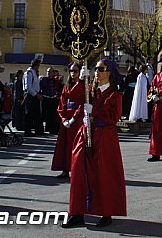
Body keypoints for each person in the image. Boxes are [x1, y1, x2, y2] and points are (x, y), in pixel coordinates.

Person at [62, 59, 126, 228]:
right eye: (95, 69)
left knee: (103, 174)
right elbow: (73, 96)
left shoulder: (114, 95)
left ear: (109, 72)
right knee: (79, 172)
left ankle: (106, 212)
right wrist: (81, 80)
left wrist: (95, 111)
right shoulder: (89, 90)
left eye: (101, 69)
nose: (97, 71)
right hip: (85, 133)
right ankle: (77, 212)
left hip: (104, 137)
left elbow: (113, 118)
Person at [51, 62, 85, 179]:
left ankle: (76, 169)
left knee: (76, 146)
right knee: (64, 145)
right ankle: (65, 169)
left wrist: (74, 118)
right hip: (67, 119)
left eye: (75, 71)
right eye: (71, 71)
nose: (73, 73)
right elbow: (62, 103)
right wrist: (64, 118)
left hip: (77, 120)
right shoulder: (66, 86)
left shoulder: (83, 85)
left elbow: (82, 103)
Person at [23, 59, 43, 136]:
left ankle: (38, 130)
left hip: (35, 95)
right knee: (30, 114)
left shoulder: (34, 73)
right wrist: (36, 94)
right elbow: (28, 87)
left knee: (36, 114)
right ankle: (28, 131)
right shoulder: (29, 73)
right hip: (31, 96)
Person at [40, 67, 60, 134]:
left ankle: (51, 128)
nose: (49, 73)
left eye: (50, 72)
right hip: (46, 98)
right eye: (48, 72)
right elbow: (42, 87)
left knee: (52, 114)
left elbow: (56, 88)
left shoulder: (54, 80)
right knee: (44, 114)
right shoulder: (43, 79)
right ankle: (44, 128)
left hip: (52, 98)